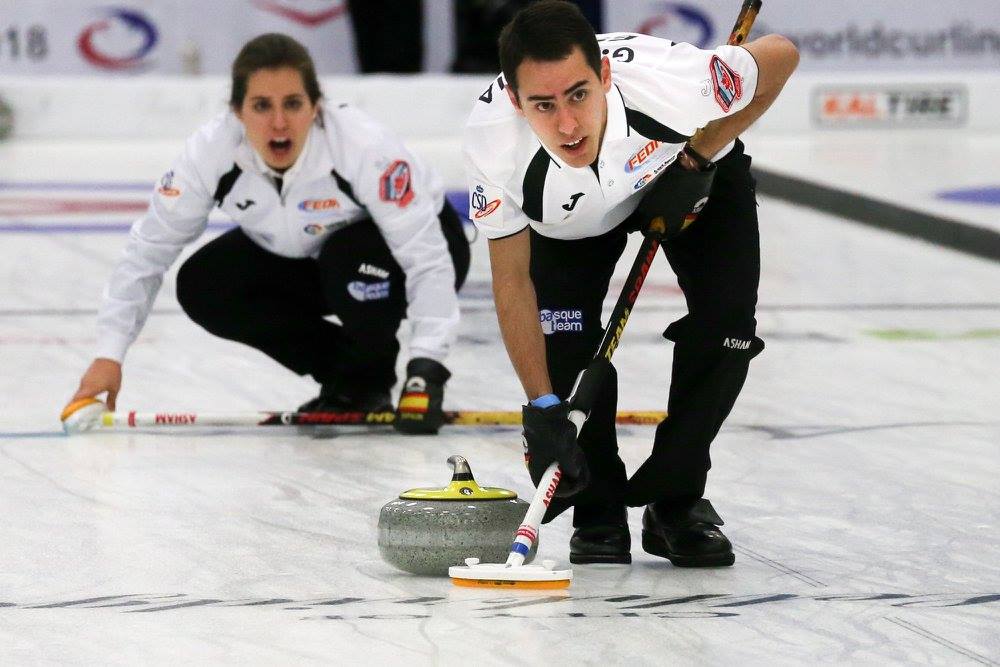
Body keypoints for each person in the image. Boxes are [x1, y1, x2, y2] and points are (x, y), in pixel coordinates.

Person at [463, 1, 797, 565]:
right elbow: (513, 279)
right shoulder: (493, 144)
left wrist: (698, 155)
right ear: (516, 104)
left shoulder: (674, 87)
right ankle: (599, 506)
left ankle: (676, 501)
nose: (567, 124)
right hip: (571, 224)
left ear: (606, 77)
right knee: (564, 341)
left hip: (684, 173)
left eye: (578, 94)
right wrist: (540, 406)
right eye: (543, 105)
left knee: (726, 330)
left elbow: (781, 56)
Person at [67, 33, 469, 435]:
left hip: (419, 250)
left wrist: (426, 368)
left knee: (349, 257)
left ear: (316, 107)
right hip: (313, 255)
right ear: (237, 112)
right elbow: (147, 252)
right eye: (262, 106)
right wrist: (109, 354)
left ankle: (373, 368)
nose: (279, 123)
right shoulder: (210, 154)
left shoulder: (363, 148)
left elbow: (427, 257)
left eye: (293, 104)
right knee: (205, 284)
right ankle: (352, 380)